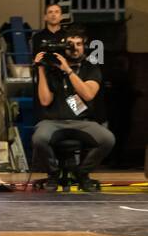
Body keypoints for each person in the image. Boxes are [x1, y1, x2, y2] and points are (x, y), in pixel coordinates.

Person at [32, 29, 114, 190]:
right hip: (53, 121)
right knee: (39, 138)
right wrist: (41, 69)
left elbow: (88, 94)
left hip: (82, 121)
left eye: (79, 44)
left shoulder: (90, 68)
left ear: (84, 47)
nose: (75, 48)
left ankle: (82, 173)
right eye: (71, 44)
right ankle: (53, 174)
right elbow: (45, 100)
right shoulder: (51, 69)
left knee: (107, 139)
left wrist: (68, 71)